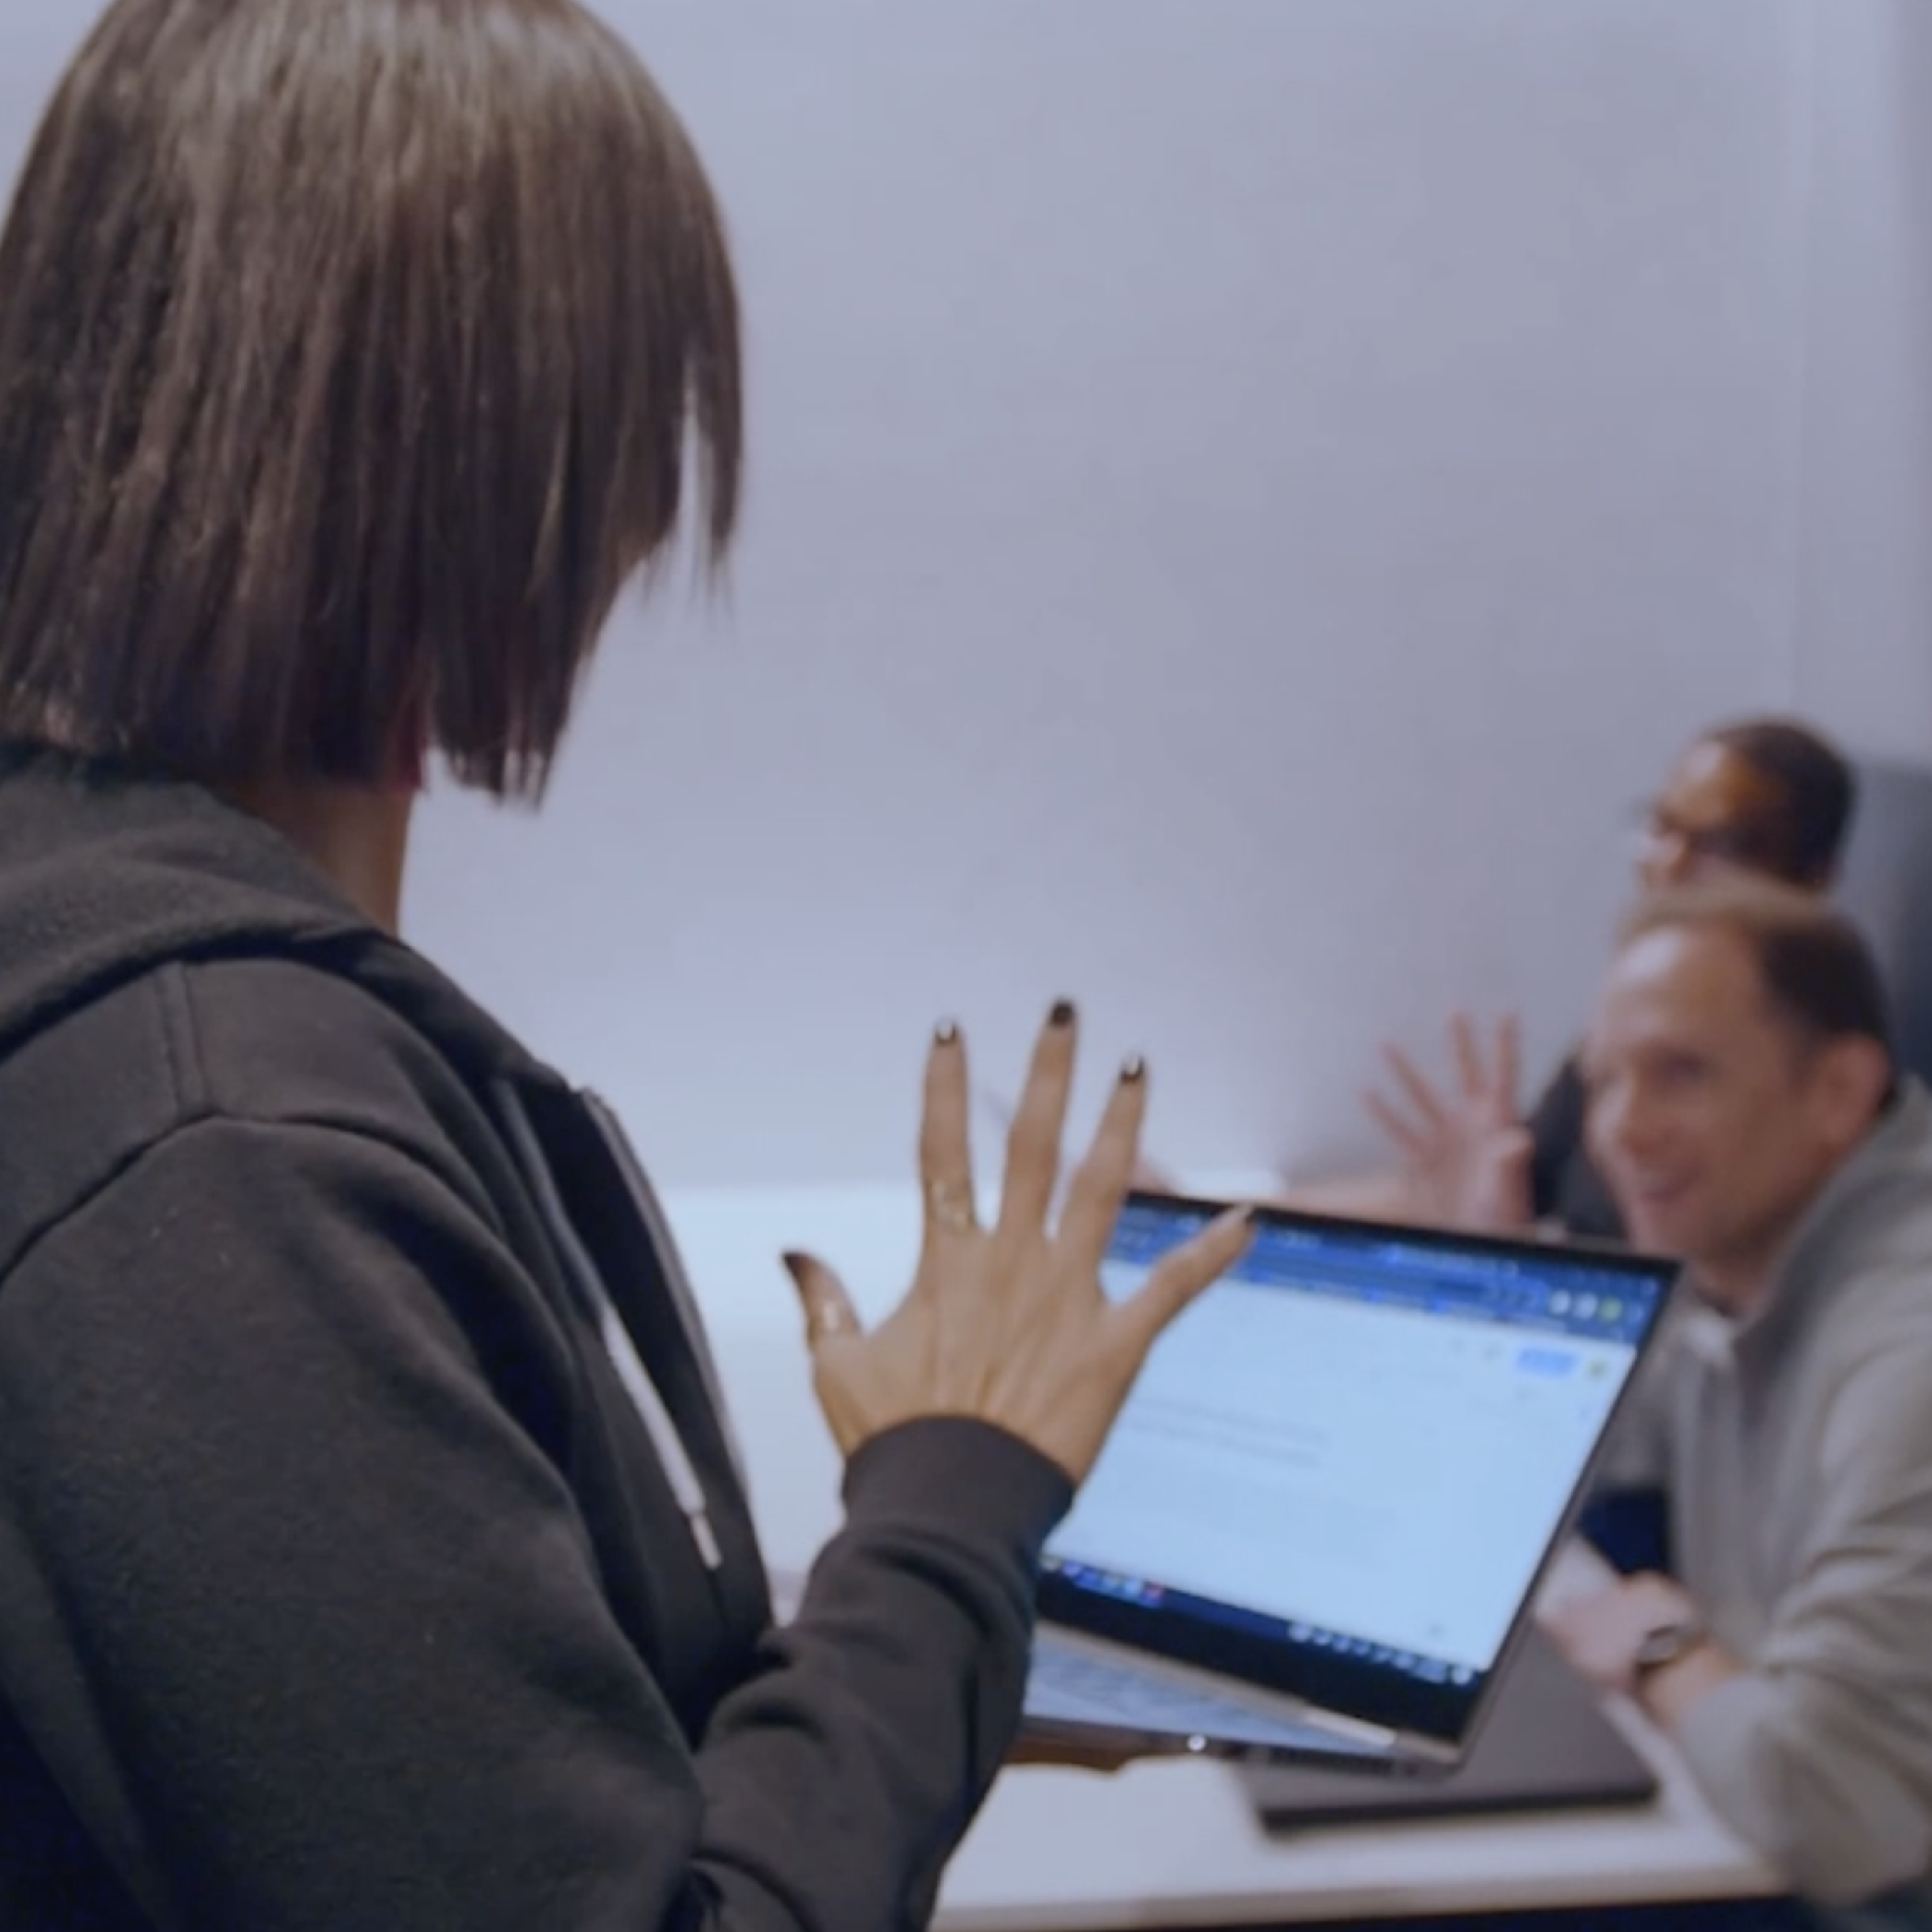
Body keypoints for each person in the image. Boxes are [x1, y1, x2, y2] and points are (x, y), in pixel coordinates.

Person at [0, 5, 1253, 1928]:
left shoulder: (160, 1007)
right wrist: (955, 1514)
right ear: (482, 450)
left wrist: (881, 1683)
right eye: (631, 417)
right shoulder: (219, 1139)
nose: (645, 514)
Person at [1535, 881, 1932, 1928]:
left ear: (1839, 1089)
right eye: (1601, 1082)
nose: (1619, 1130)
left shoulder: (1907, 1345)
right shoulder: (1742, 1260)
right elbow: (1585, 1458)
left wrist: (1664, 1644)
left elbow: (1830, 1804)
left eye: (1679, 1073)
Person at [1304, 718, 1859, 1238]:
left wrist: (1507, 1261)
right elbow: (1494, 1195)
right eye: (1662, 829)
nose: (1670, 866)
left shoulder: (1804, 1098)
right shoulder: (1634, 1031)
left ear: (1813, 877)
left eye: (1719, 846)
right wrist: (1238, 1222)